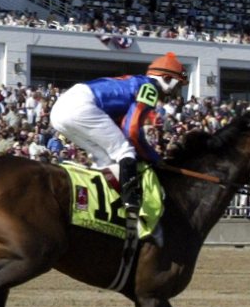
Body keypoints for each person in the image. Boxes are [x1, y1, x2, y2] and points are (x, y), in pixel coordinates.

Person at [46, 51, 187, 226]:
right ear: (166, 78)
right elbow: (132, 129)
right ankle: (131, 205)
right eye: (177, 85)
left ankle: (100, 207)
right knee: (125, 151)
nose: (176, 92)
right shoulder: (150, 87)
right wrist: (153, 157)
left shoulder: (138, 83)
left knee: (105, 159)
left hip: (60, 111)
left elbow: (123, 124)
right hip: (81, 106)